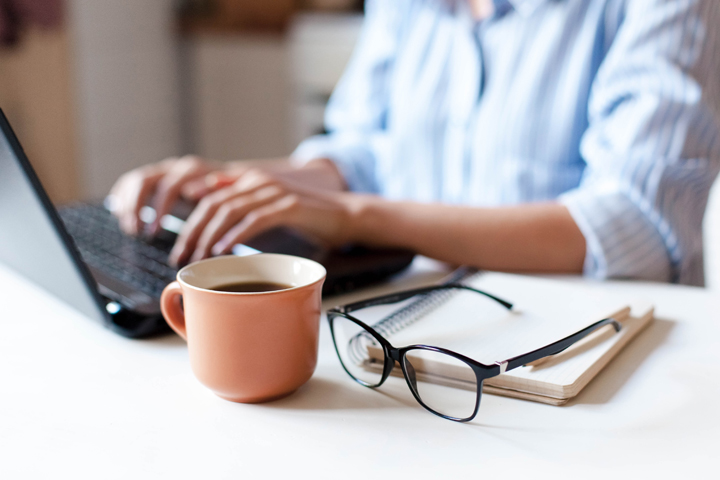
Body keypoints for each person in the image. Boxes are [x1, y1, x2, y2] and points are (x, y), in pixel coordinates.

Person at [111, 0, 720, 286]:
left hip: (585, 351)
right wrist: (232, 185)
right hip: (420, 326)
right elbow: (370, 151)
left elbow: (635, 226)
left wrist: (358, 217)